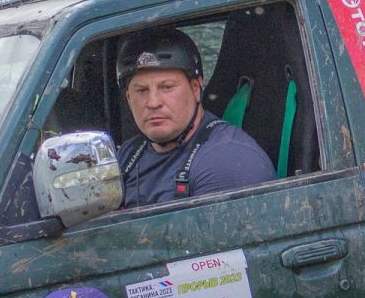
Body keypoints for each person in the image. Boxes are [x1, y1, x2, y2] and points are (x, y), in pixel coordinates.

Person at [115, 29, 275, 208]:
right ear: (129, 98)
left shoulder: (227, 162)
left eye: (167, 87)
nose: (153, 102)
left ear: (196, 89)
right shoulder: (129, 154)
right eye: (141, 90)